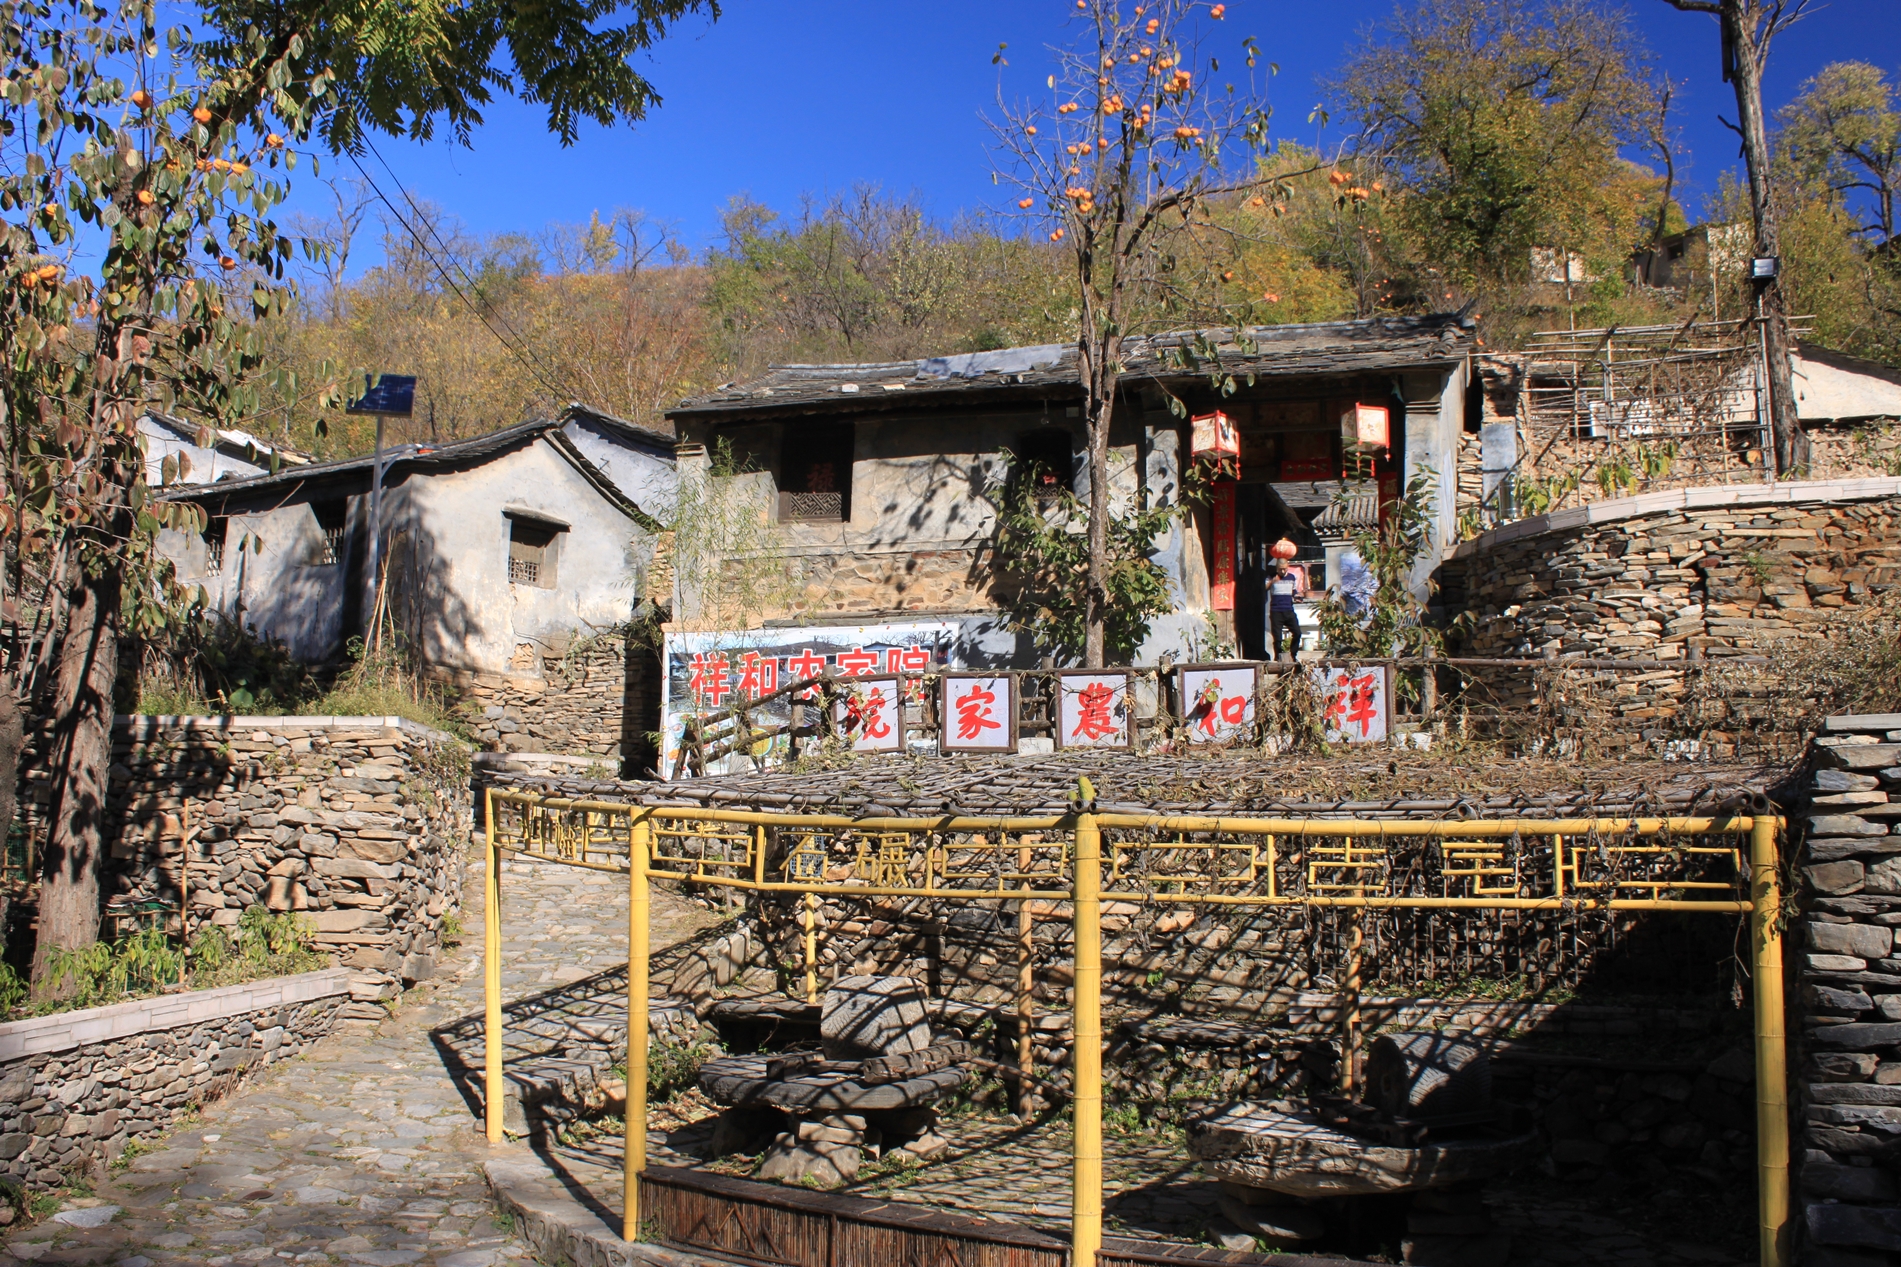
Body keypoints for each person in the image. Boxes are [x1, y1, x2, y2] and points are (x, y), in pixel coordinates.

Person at [1267, 556, 1307, 661]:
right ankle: (1278, 657)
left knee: (1297, 633)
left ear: (1288, 567)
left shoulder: (1291, 577)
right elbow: (1263, 588)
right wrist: (1272, 582)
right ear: (1277, 568)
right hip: (1276, 610)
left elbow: (1293, 591)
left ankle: (1293, 655)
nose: (1282, 571)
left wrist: (1297, 597)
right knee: (1278, 638)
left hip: (1289, 609)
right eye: (1280, 569)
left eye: (1284, 568)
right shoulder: (1271, 577)